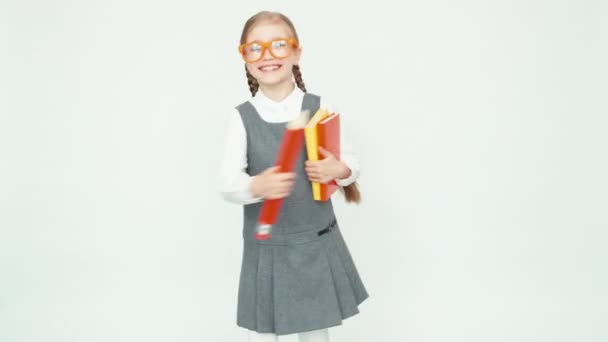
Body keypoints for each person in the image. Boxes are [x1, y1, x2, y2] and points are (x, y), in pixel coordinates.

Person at [220, 10, 369, 342]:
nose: (267, 56)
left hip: (314, 242)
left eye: (278, 45)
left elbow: (350, 163)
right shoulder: (241, 117)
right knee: (263, 332)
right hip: (267, 248)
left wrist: (338, 170)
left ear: (297, 52)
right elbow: (228, 184)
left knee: (316, 332)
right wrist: (255, 185)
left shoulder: (318, 106)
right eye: (255, 48)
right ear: (244, 56)